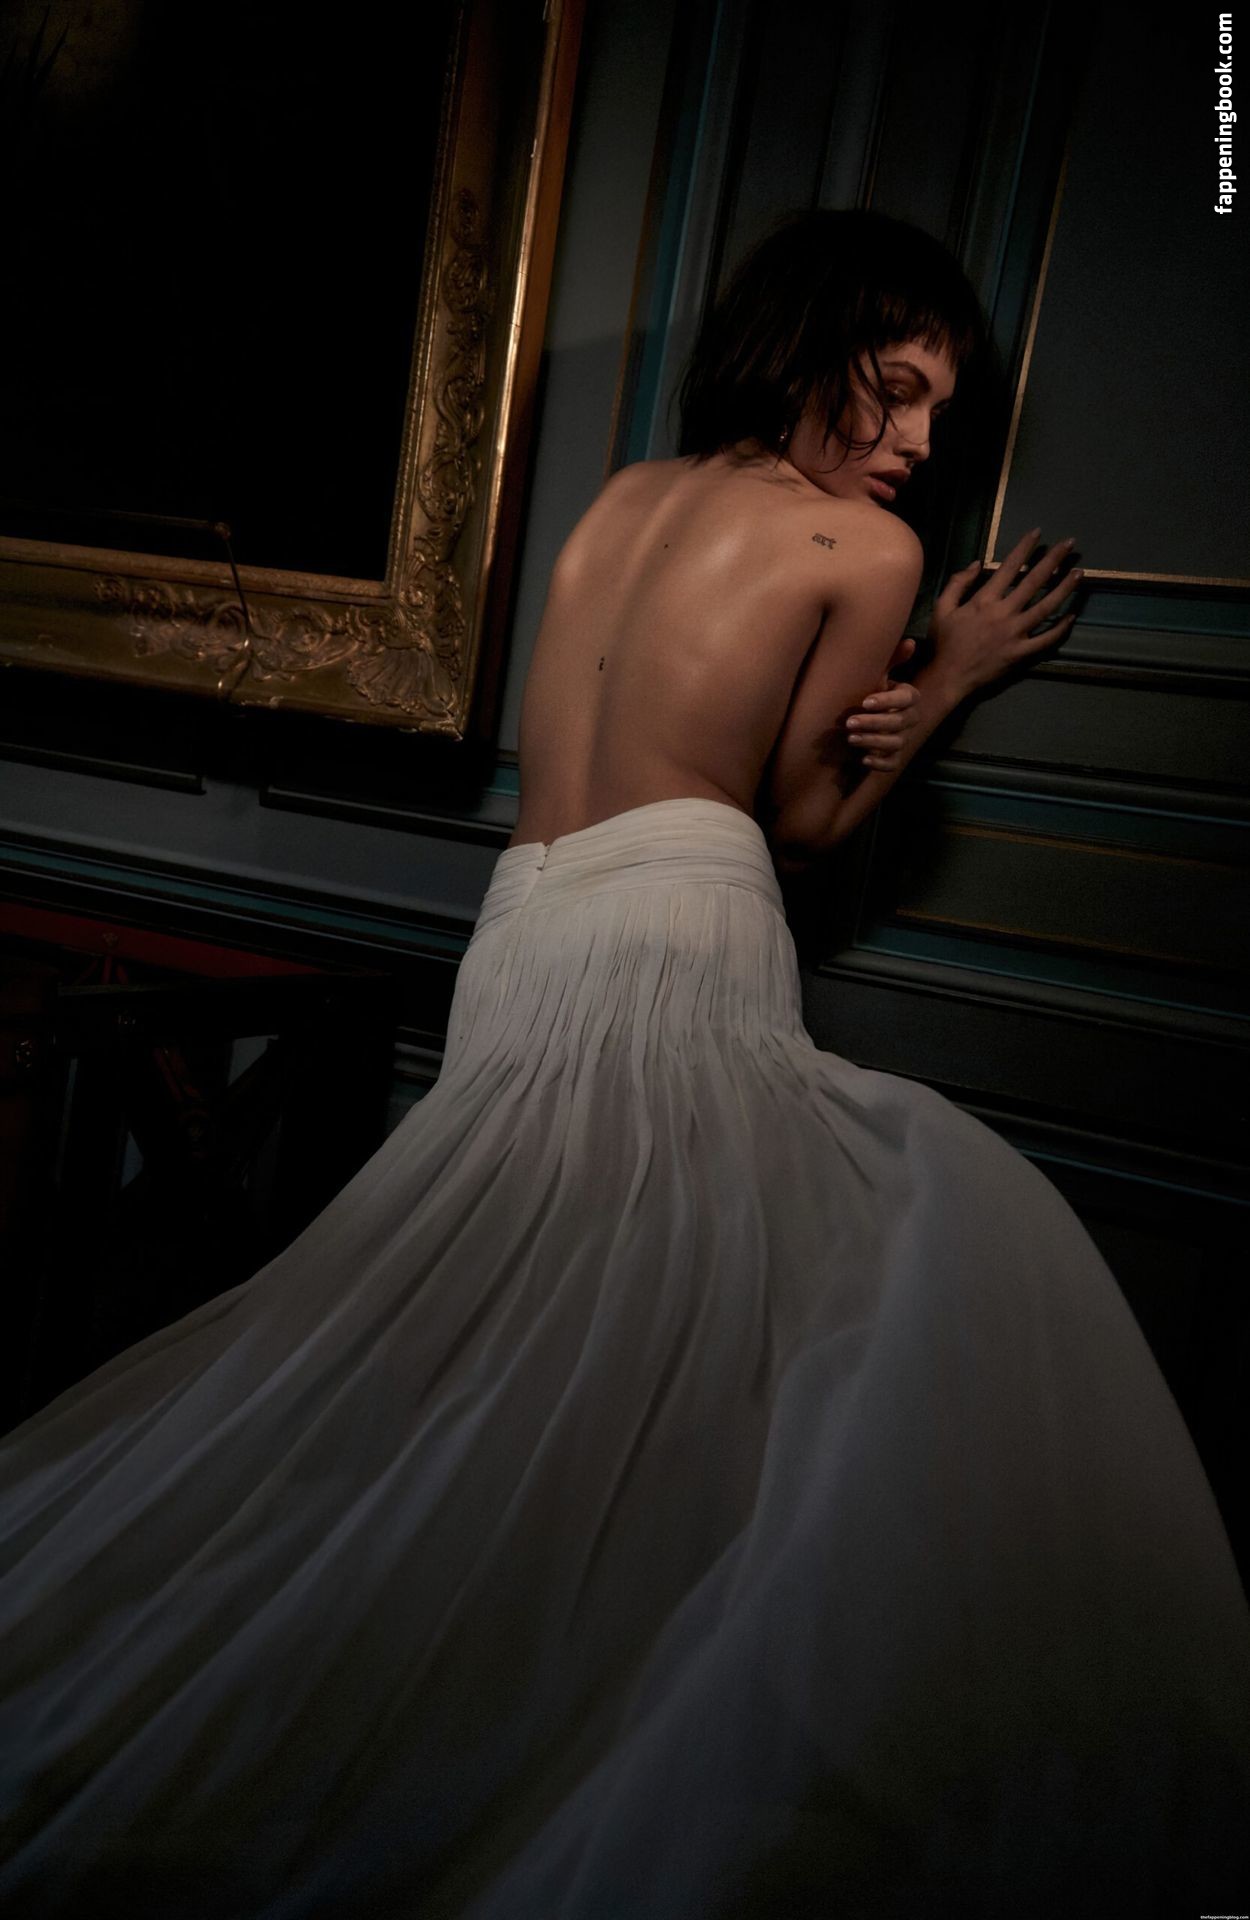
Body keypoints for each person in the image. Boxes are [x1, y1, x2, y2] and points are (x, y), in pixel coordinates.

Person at [1, 208, 1247, 1918]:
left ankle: (401, 1715)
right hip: (677, 931)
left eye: (935, 416)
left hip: (519, 932)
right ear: (803, 347)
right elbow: (801, 821)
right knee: (811, 1298)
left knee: (502, 1355)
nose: (911, 445)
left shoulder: (616, 506)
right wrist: (946, 681)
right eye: (892, 390)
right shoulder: (864, 551)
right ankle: (567, 1756)